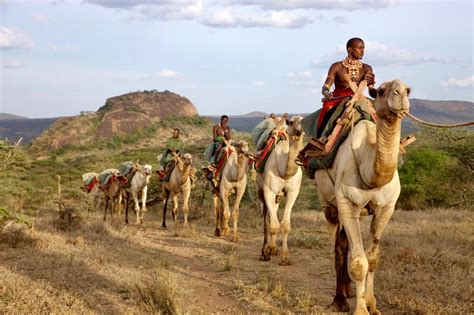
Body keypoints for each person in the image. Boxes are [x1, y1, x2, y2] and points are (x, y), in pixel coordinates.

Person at [298, 37, 376, 162]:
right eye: (360, 48)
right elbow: (326, 86)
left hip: (360, 100)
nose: (363, 51)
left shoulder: (367, 68)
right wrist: (326, 93)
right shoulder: (337, 66)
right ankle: (320, 143)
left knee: (378, 117)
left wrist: (375, 89)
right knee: (331, 118)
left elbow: (372, 91)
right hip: (339, 100)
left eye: (363, 48)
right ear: (350, 49)